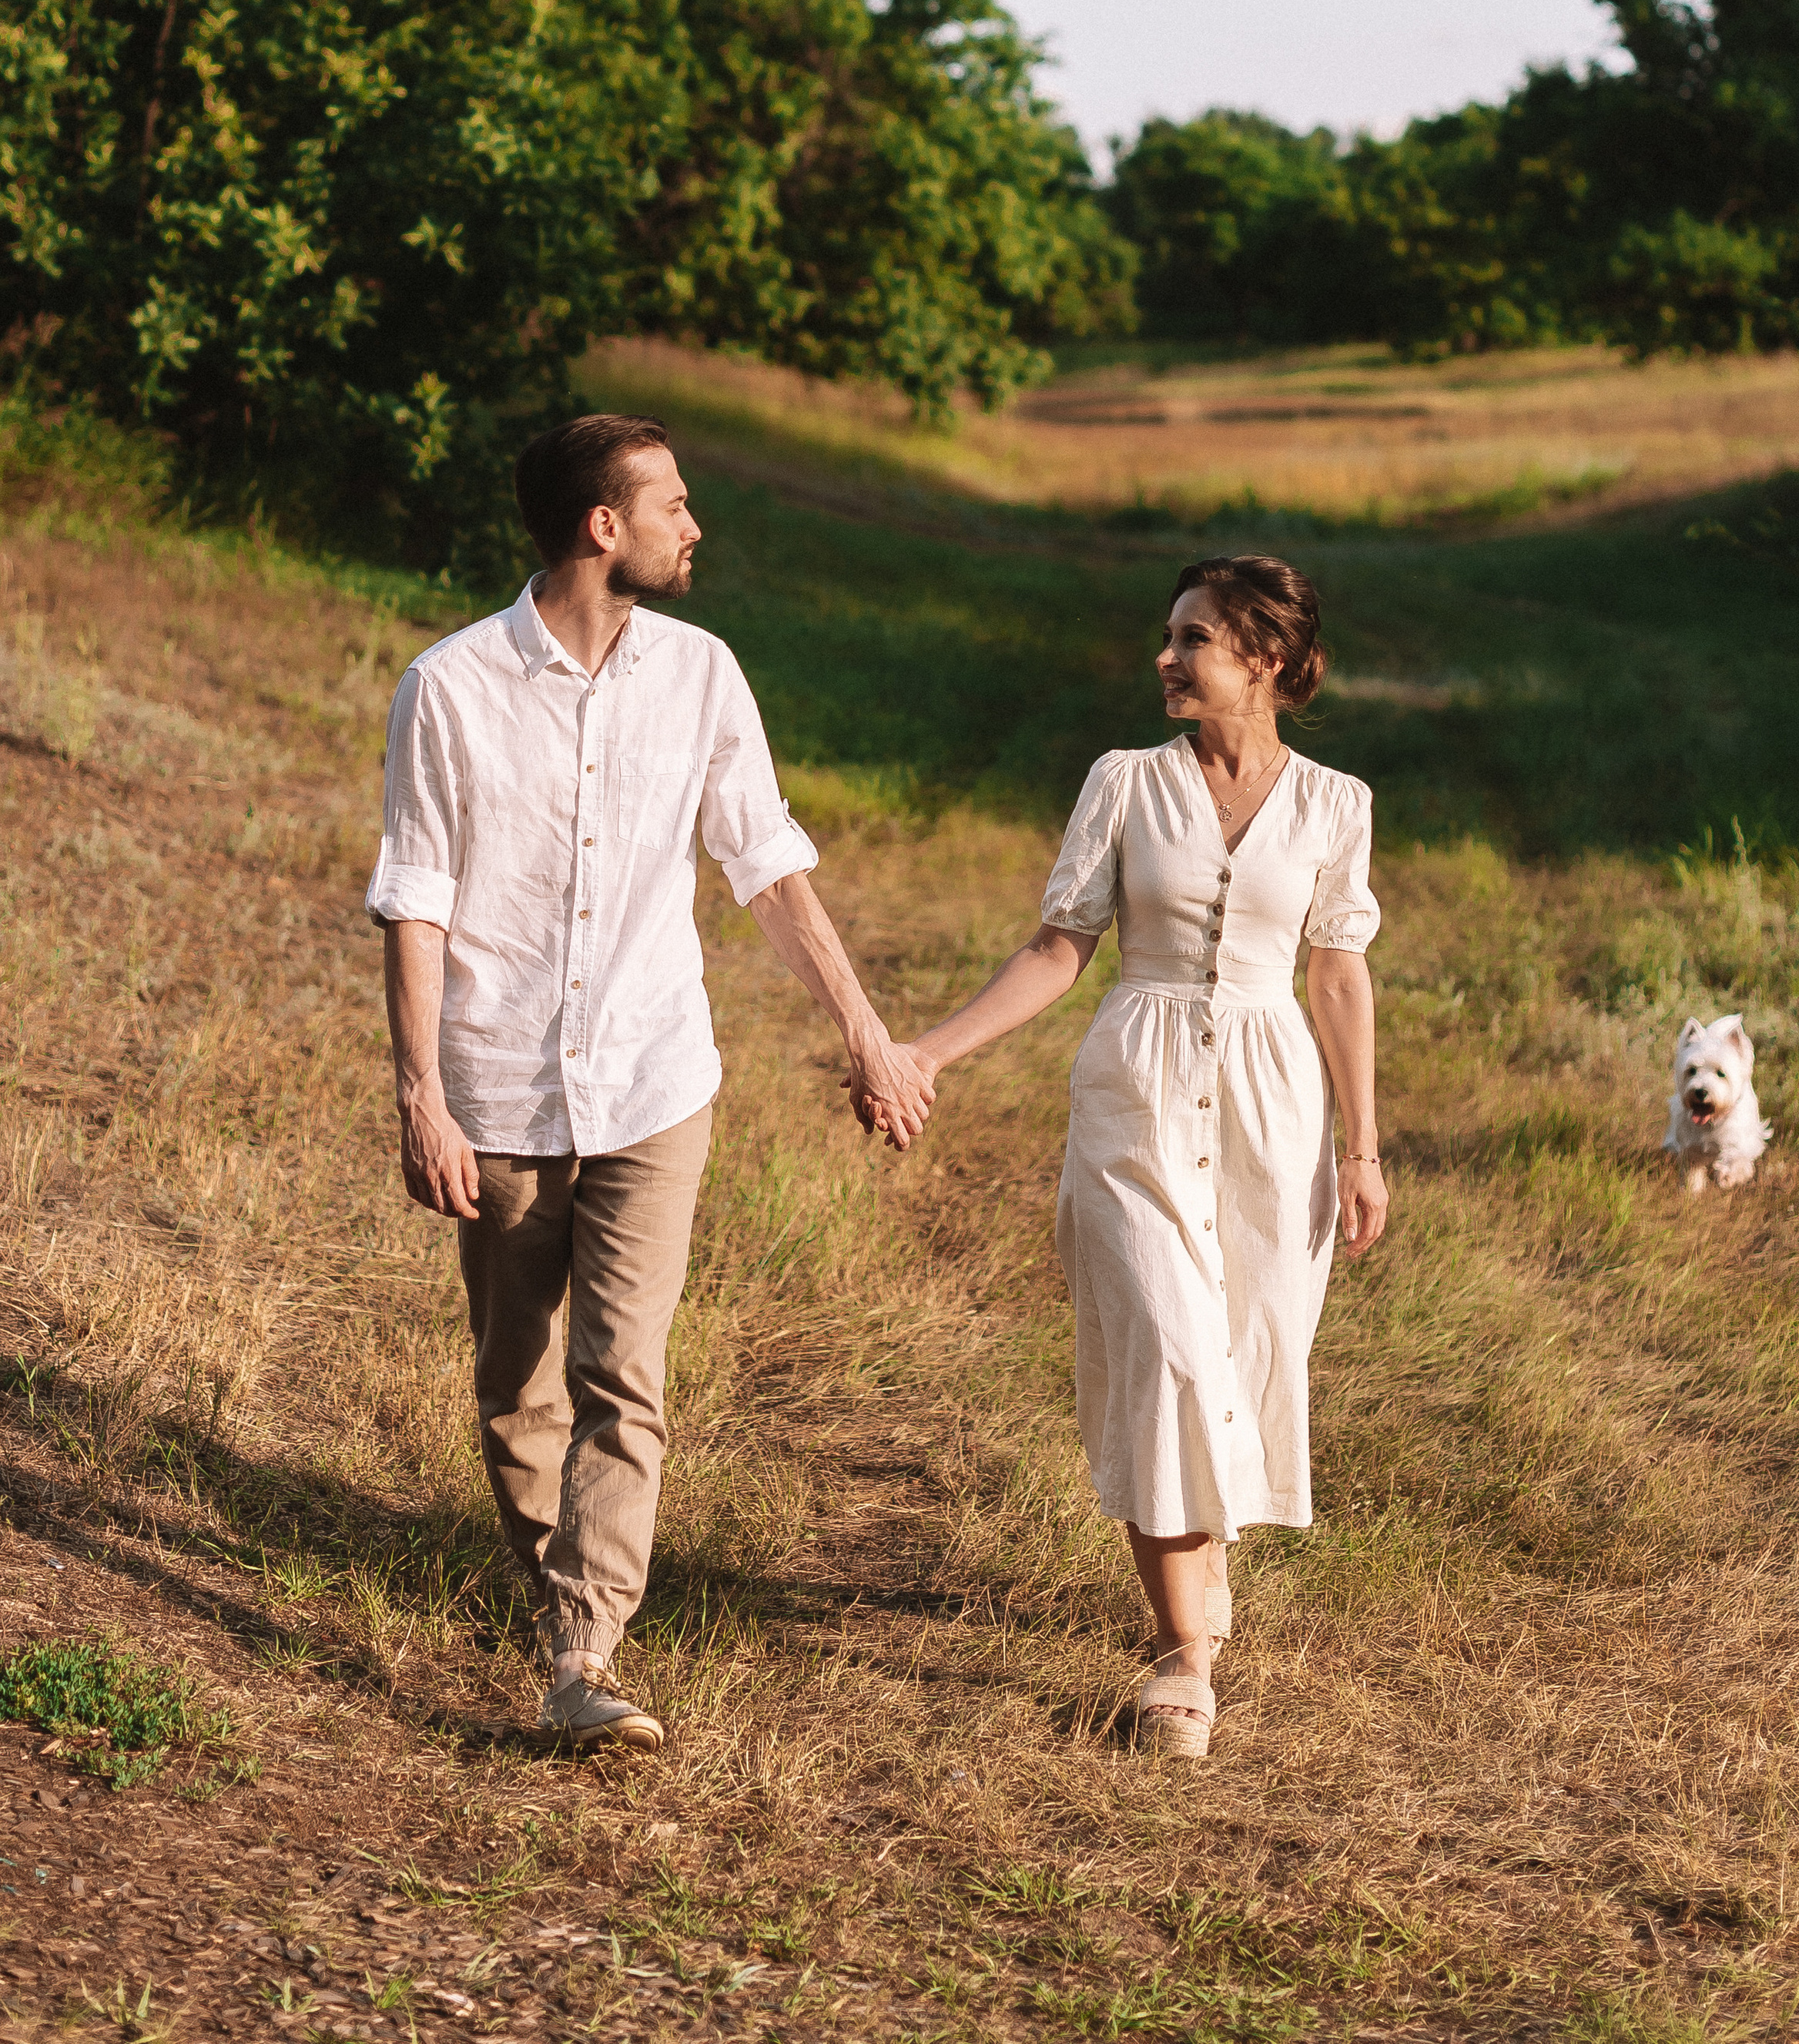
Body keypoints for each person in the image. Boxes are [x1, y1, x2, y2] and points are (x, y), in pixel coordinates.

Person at [367, 414, 930, 1752]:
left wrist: (865, 1032)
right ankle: (553, 1573)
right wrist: (420, 1096)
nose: (695, 525)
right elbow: (417, 903)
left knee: (628, 1374)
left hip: (653, 1080)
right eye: (672, 503)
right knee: (518, 1382)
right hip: (499, 1090)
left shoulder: (703, 673)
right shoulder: (447, 686)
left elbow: (767, 864)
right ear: (599, 527)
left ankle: (581, 1649)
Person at [891, 555, 1388, 1761]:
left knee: (1249, 1350)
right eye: (1170, 636)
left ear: (1264, 659)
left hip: (1276, 1107)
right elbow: (1061, 946)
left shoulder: (1335, 802)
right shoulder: (1123, 783)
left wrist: (1364, 1147)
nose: (1166, 657)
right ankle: (1182, 1658)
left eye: (1193, 639)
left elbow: (1335, 970)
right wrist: (932, 1050)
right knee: (1166, 1350)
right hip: (1138, 1092)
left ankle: (1195, 1577)